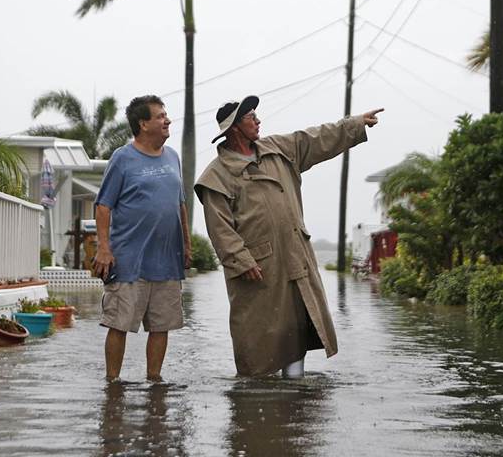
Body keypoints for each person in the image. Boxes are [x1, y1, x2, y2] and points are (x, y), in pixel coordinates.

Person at [195, 95, 382, 377]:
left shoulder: (279, 148)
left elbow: (315, 138)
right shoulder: (216, 175)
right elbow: (220, 228)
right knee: (258, 338)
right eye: (251, 117)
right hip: (258, 270)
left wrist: (354, 125)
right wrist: (241, 261)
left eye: (257, 115)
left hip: (295, 258)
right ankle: (255, 402)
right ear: (234, 127)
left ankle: (293, 394)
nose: (258, 121)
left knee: (296, 330)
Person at [93, 95, 192, 382]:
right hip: (128, 259)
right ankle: (112, 384)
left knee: (162, 326)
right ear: (143, 123)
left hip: (167, 259)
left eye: (166, 115)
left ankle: (154, 380)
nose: (167, 120)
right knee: (119, 324)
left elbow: (180, 203)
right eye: (160, 116)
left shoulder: (172, 156)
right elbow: (103, 206)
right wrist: (104, 248)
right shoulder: (122, 158)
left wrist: (186, 244)